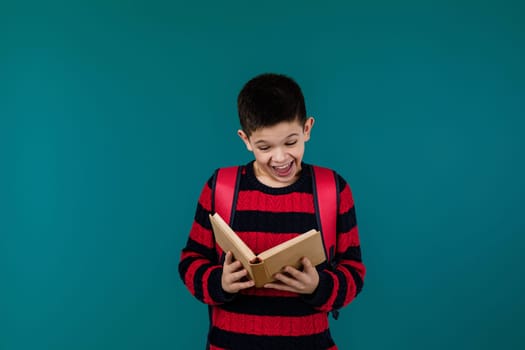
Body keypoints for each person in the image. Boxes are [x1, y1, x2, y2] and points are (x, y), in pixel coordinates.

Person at [179, 73, 365, 350]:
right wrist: (221, 282)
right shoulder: (221, 187)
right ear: (246, 139)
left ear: (307, 129)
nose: (280, 158)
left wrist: (318, 286)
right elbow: (190, 262)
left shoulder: (332, 189)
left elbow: (354, 272)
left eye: (290, 142)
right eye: (265, 147)